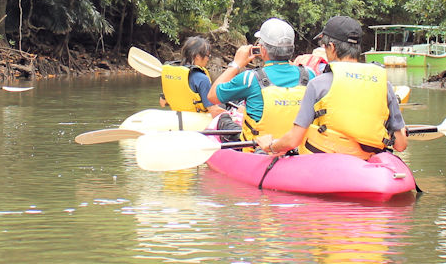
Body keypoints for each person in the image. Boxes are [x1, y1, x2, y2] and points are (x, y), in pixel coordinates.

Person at [255, 15, 407, 158]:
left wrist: (271, 146)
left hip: (328, 165)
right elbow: (401, 144)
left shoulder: (318, 84)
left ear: (332, 47)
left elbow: (293, 140)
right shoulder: (383, 84)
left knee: (261, 153)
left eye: (325, 47)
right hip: (368, 161)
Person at [209, 17, 311, 145]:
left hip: (258, 148)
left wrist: (236, 64)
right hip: (298, 147)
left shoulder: (249, 78)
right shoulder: (309, 74)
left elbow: (212, 97)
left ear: (262, 50)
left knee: (223, 118)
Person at [159, 35, 214, 113]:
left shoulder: (172, 74)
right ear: (197, 56)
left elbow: (162, 103)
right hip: (196, 119)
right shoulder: (202, 78)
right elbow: (212, 110)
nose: (208, 59)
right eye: (208, 56)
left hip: (178, 117)